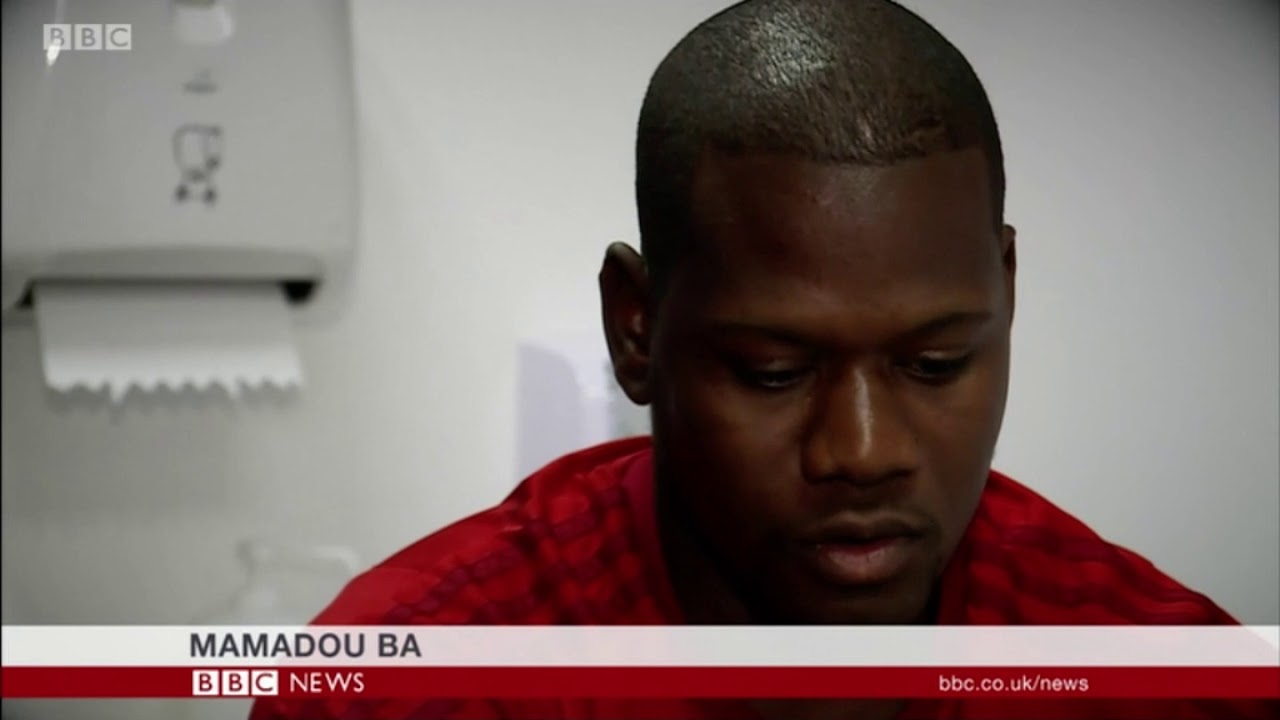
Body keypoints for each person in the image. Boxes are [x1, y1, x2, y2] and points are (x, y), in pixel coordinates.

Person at [252, 1, 1277, 718]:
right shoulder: (411, 685)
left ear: (1005, 293)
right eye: (773, 373)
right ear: (637, 330)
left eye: (933, 364)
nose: (861, 452)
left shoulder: (1159, 678)